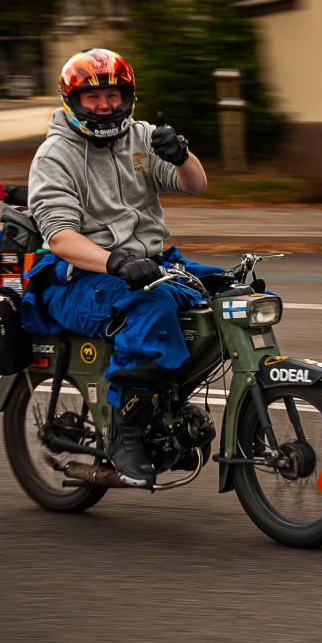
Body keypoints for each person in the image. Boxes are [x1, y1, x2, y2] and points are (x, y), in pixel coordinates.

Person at [26, 48, 218, 488]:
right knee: (152, 311)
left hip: (143, 264)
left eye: (113, 94)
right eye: (93, 98)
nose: (105, 105)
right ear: (72, 101)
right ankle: (127, 432)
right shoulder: (55, 156)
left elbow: (196, 185)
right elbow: (59, 237)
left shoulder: (142, 137)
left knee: (221, 294)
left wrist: (183, 155)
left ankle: (168, 405)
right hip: (78, 276)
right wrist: (114, 261)